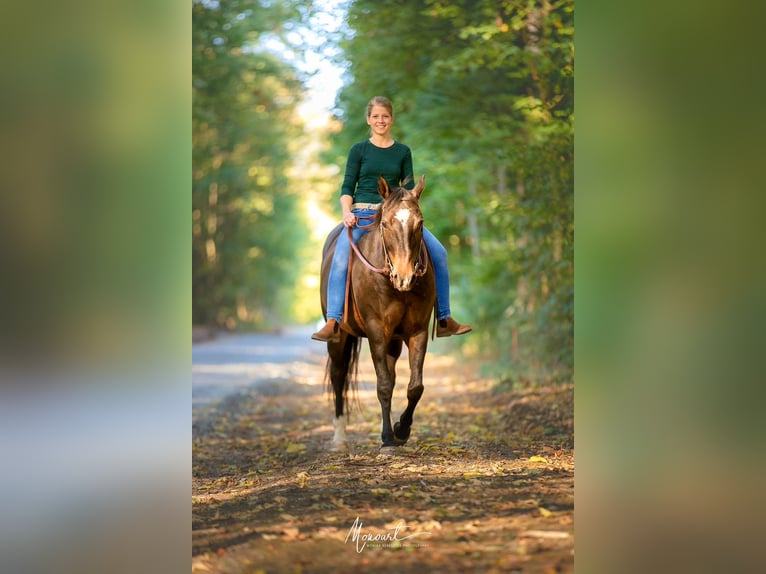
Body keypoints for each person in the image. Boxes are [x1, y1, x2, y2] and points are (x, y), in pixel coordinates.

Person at [312, 96, 472, 343]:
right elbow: (347, 187)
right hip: (363, 215)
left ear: (391, 119)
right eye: (375, 116)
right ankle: (333, 320)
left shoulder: (402, 152)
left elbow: (408, 191)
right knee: (341, 257)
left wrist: (408, 214)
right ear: (368, 119)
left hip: (395, 217)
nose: (380, 121)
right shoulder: (359, 150)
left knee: (439, 253)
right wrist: (347, 212)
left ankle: (444, 318)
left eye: (385, 116)